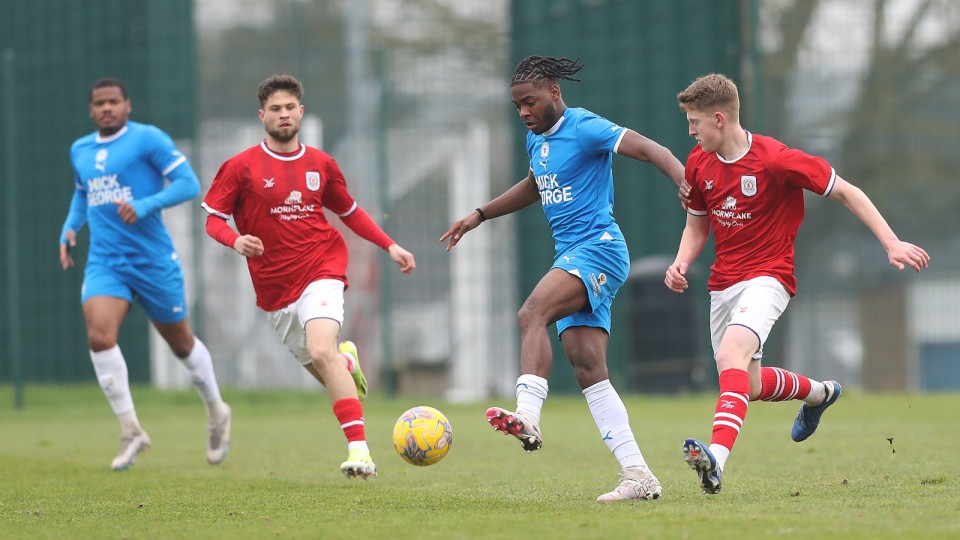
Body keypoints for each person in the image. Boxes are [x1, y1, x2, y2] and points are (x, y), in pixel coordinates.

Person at [666, 73, 930, 495]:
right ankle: (821, 393)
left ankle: (716, 458)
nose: (691, 131)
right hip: (723, 285)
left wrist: (891, 242)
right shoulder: (699, 163)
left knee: (732, 353)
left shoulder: (776, 159)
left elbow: (848, 192)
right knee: (746, 384)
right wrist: (681, 262)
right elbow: (697, 225)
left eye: (695, 122)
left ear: (719, 118)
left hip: (769, 277)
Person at [441, 56, 689, 502]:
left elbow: (652, 149)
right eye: (517, 106)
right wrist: (479, 214)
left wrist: (682, 180)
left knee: (531, 311)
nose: (523, 113)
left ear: (555, 93)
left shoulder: (585, 126)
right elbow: (535, 186)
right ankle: (639, 475)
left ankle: (528, 415)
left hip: (599, 249)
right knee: (588, 368)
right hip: (573, 255)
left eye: (530, 102)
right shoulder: (536, 141)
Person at [202, 74, 416, 480]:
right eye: (275, 109)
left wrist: (389, 245)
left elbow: (349, 212)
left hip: (322, 268)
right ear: (262, 116)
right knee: (326, 367)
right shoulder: (240, 167)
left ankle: (361, 453)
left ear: (301, 112)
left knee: (321, 351)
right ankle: (346, 360)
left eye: (290, 108)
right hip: (275, 291)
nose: (283, 115)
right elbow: (213, 219)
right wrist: (235, 240)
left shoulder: (321, 164)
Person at [59, 77, 232, 471]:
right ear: (90, 109)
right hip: (106, 262)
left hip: (152, 261)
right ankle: (131, 430)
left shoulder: (147, 139)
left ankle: (217, 411)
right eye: (99, 102)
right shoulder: (80, 149)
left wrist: (145, 204)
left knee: (182, 344)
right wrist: (71, 228)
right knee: (99, 336)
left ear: (127, 105)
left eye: (113, 101)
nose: (107, 108)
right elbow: (83, 192)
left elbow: (189, 184)